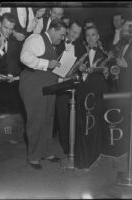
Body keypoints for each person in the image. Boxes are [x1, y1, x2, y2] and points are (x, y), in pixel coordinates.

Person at [19, 19, 67, 170]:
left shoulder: (53, 45)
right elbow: (24, 58)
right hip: (33, 85)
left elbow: (52, 68)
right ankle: (33, 157)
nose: (63, 38)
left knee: (48, 119)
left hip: (49, 86)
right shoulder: (36, 38)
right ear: (52, 30)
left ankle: (46, 152)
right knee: (36, 120)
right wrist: (47, 64)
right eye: (61, 34)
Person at [74, 26, 109, 170]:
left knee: (94, 125)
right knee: (83, 125)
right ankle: (83, 159)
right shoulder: (81, 52)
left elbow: (108, 75)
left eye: (93, 35)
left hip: (97, 92)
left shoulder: (105, 53)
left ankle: (94, 156)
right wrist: (79, 69)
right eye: (88, 35)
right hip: (83, 92)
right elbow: (74, 72)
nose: (90, 38)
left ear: (98, 36)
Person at [54, 20, 83, 155]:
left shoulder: (81, 46)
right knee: (63, 118)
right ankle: (66, 148)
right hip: (60, 86)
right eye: (73, 31)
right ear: (68, 29)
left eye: (77, 34)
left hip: (74, 87)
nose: (74, 35)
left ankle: (75, 146)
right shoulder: (57, 42)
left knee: (75, 118)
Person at [0, 13, 23, 115]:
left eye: (11, 29)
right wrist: (0, 48)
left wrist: (10, 74)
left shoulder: (13, 38)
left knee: (14, 110)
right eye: (5, 28)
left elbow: (13, 59)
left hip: (9, 81)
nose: (8, 31)